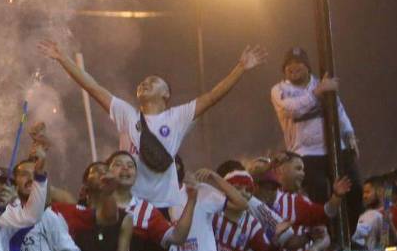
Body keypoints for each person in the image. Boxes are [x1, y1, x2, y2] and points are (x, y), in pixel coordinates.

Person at [38, 38, 267, 210]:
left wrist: (240, 68)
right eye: (143, 82)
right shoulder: (127, 114)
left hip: (167, 205)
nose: (145, 83)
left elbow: (213, 96)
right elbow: (93, 87)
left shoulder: (177, 117)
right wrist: (62, 58)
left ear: (166, 93)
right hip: (131, 205)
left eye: (153, 82)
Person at [269, 47, 362, 232]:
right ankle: (328, 236)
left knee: (355, 189)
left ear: (308, 67)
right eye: (289, 65)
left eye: (298, 63)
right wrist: (316, 93)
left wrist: (349, 135)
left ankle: (349, 237)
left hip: (336, 147)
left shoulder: (320, 83)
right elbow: (291, 109)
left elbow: (339, 109)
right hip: (305, 152)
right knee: (318, 193)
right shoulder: (280, 90)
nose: (293, 67)